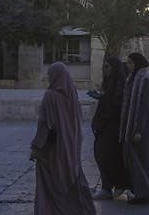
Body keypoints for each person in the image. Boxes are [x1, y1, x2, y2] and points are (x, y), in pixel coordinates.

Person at [30, 62, 96, 215]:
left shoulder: (50, 95)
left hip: (52, 150)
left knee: (50, 182)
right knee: (72, 177)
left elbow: (45, 124)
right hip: (71, 146)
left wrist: (36, 147)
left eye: (50, 75)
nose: (48, 78)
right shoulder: (71, 93)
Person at [120, 53, 149, 205]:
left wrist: (138, 129)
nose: (127, 65)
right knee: (134, 158)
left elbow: (143, 106)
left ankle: (143, 194)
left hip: (141, 127)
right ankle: (139, 190)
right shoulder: (133, 78)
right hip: (131, 124)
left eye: (130, 63)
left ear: (136, 64)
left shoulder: (143, 79)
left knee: (141, 159)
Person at [91, 56, 129, 200]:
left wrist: (104, 98)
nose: (104, 69)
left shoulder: (119, 84)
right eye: (104, 66)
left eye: (107, 66)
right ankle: (113, 185)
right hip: (105, 126)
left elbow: (116, 105)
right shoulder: (108, 83)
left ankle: (109, 187)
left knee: (105, 155)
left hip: (112, 126)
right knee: (102, 154)